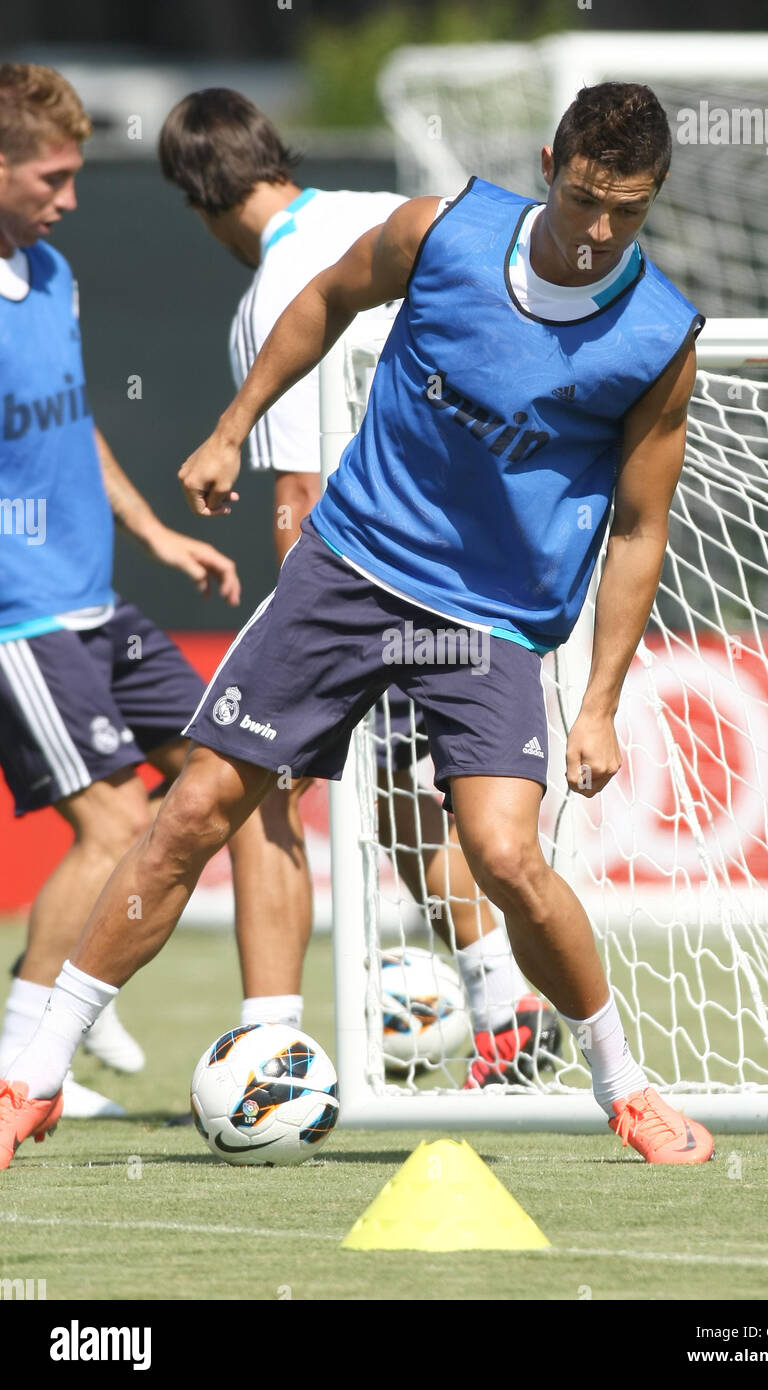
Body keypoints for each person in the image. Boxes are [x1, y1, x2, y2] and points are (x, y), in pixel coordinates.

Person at [1, 80, 715, 1166]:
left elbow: (638, 525)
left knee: (504, 856)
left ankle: (622, 1088)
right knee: (195, 806)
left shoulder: (657, 334)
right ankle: (33, 1078)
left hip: (492, 618)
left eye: (628, 208)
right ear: (545, 166)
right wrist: (232, 427)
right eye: (582, 200)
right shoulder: (442, 230)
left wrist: (601, 704)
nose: (599, 231)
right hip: (351, 565)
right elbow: (323, 300)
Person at [158, 88, 560, 1085]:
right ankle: (502, 1003)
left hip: (374, 570)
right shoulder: (364, 212)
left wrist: (303, 651)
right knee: (398, 797)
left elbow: (300, 488)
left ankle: (271, 1051)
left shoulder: (276, 290)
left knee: (254, 782)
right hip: (482, 564)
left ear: (199, 198)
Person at [0, 63, 284, 1118]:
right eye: (53, 177)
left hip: (96, 601)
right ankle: (27, 1065)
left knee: (233, 771)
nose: (69, 199)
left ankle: (263, 1030)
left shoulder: (55, 273)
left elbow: (73, 421)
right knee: (114, 822)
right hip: (18, 619)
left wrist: (154, 532)